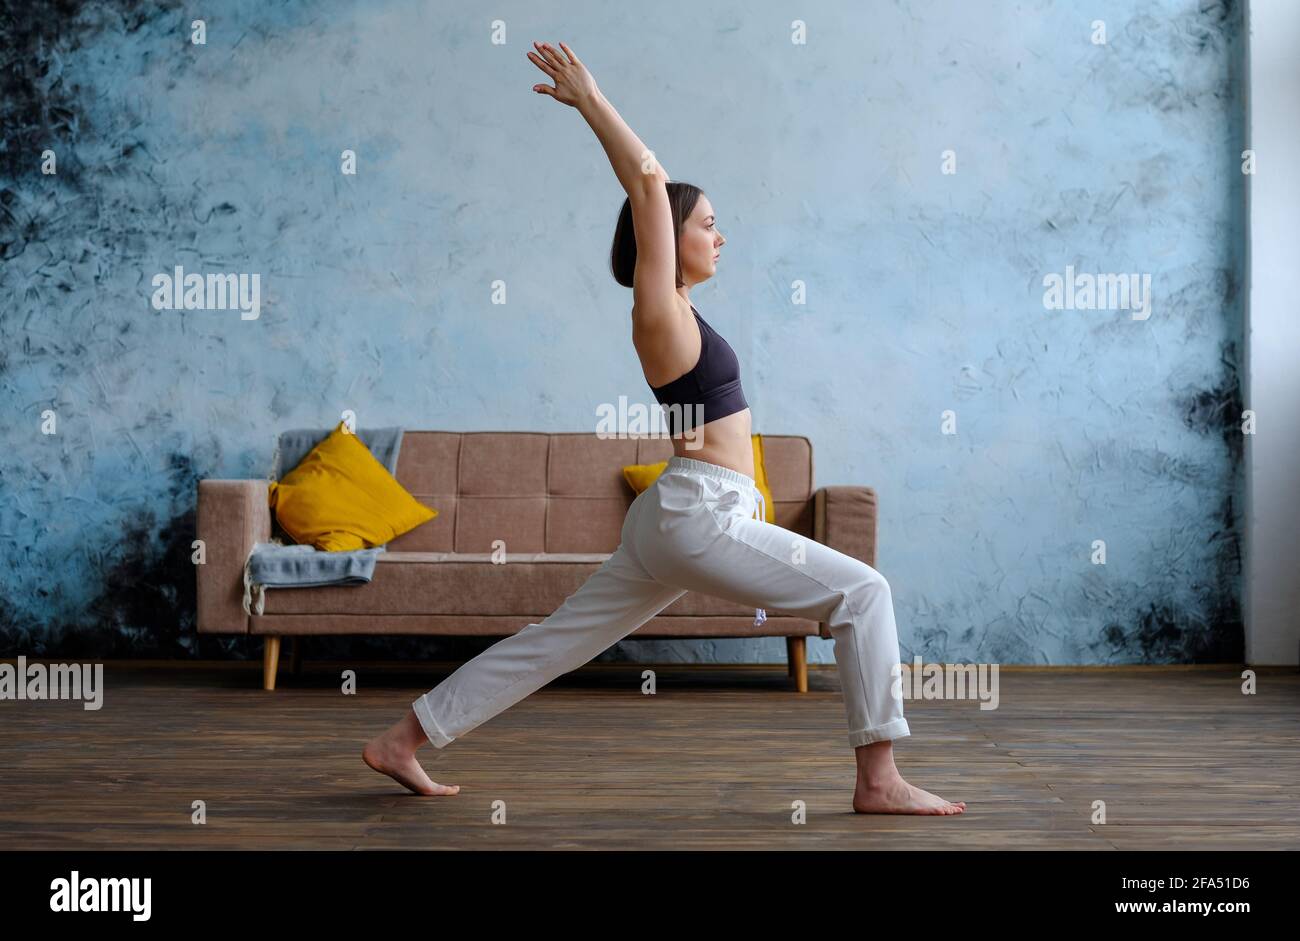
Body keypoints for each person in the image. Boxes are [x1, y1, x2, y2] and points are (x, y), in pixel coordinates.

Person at [364, 41, 965, 815]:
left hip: (683, 517)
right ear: (666, 238)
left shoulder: (685, 314)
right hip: (697, 514)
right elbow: (648, 178)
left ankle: (401, 740)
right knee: (865, 592)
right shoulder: (658, 311)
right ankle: (878, 780)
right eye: (708, 224)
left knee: (555, 639)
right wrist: (591, 100)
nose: (720, 237)